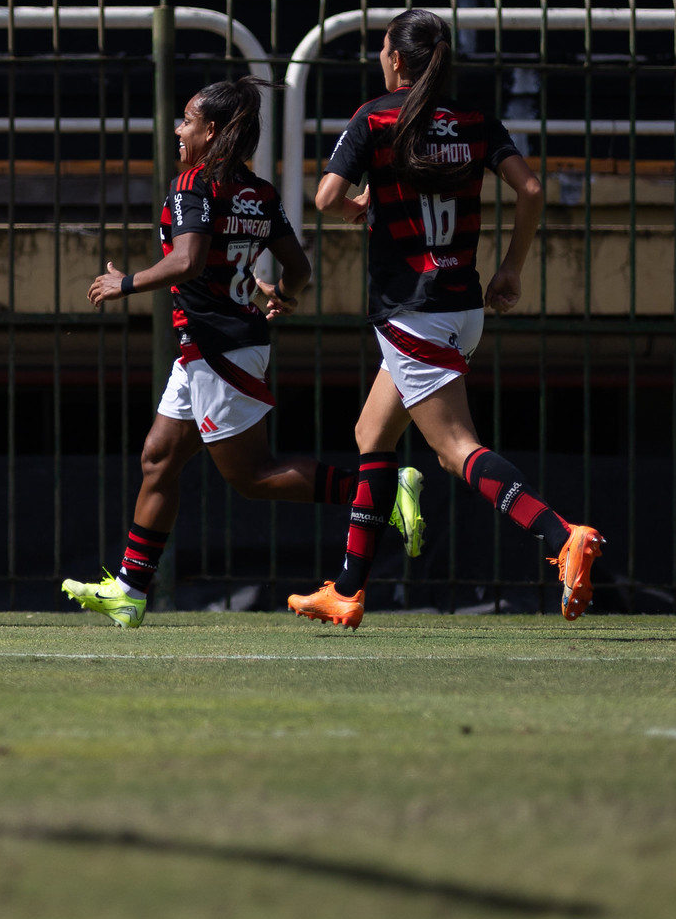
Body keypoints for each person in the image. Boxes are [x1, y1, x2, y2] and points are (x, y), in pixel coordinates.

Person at [64, 77, 414, 629]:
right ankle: (130, 589)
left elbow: (189, 262)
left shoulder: (192, 186)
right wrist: (277, 293)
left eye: (186, 121)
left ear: (212, 130)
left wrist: (124, 283)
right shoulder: (259, 191)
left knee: (252, 477)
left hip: (217, 348)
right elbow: (296, 268)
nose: (179, 130)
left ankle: (378, 493)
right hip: (213, 343)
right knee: (158, 457)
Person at [291, 8, 602, 628]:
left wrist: (359, 204)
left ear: (397, 60)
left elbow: (323, 197)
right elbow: (532, 190)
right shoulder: (475, 122)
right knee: (370, 437)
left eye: (383, 50)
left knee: (455, 451)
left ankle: (561, 533)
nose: (381, 58)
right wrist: (510, 269)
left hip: (414, 312)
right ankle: (347, 591)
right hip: (461, 305)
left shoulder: (377, 117)